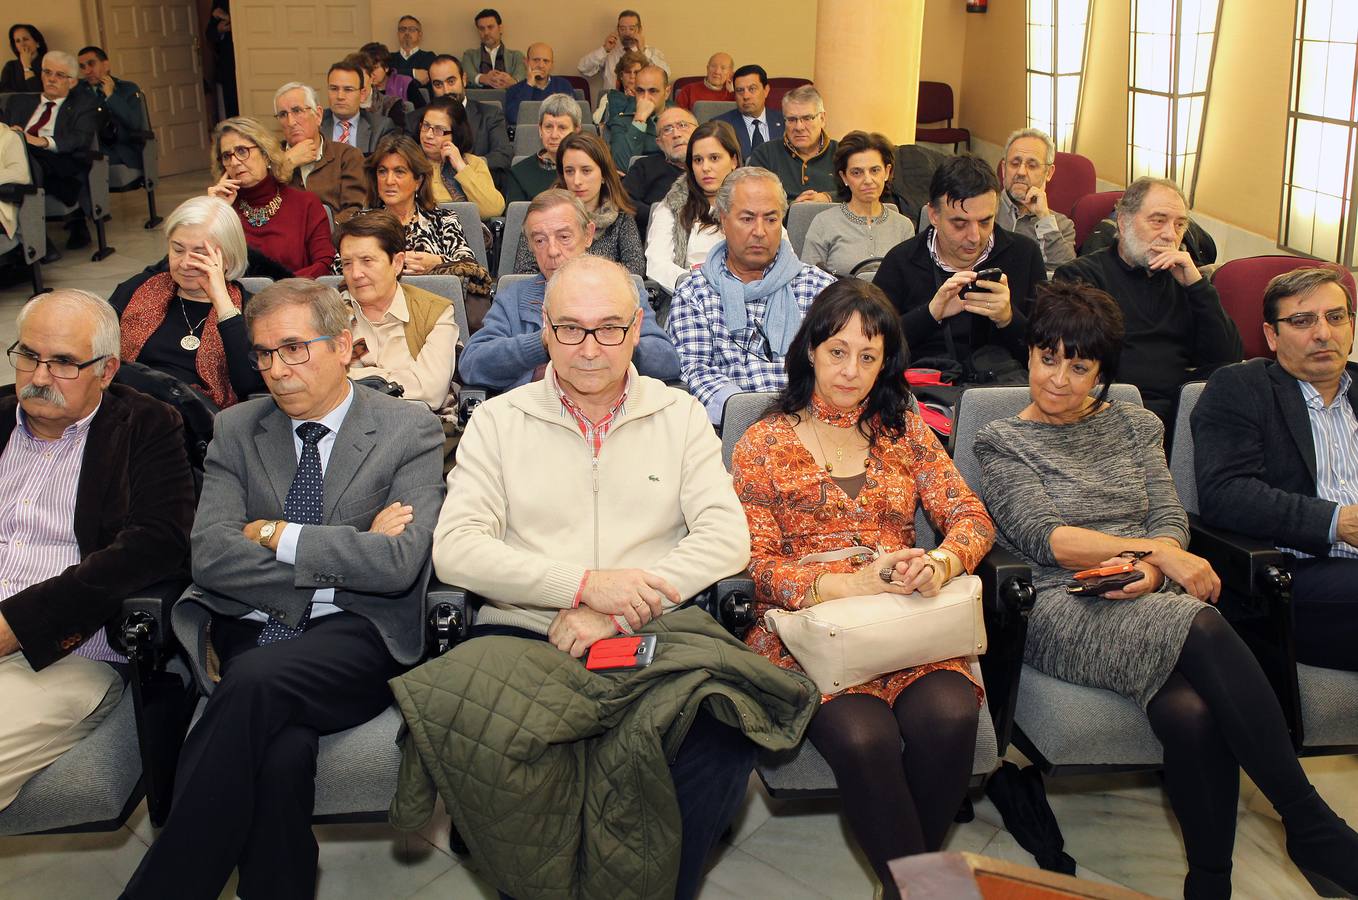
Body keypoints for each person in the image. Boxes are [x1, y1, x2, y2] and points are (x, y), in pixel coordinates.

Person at [975, 280, 1358, 900]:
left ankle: (1209, 884)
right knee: (1203, 621)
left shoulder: (1132, 422)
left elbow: (1169, 515)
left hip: (1148, 592)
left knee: (1192, 713)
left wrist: (1153, 569)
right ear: (1030, 353)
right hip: (1059, 602)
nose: (1059, 380)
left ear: (1102, 372)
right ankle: (1309, 821)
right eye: (1049, 359)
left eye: (1080, 366)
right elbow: (1050, 538)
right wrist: (1159, 557)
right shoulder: (1002, 441)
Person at [432, 254, 763, 900]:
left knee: (722, 737)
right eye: (571, 329)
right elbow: (457, 552)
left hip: (653, 630)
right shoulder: (499, 422)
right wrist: (581, 585)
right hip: (528, 629)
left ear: (638, 329)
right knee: (502, 744)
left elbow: (727, 539)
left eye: (609, 328)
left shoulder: (680, 416)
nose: (590, 348)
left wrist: (620, 604)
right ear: (545, 333)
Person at [120, 278, 445, 900]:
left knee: (249, 685)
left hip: (358, 633)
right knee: (278, 754)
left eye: (295, 348)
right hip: (251, 625)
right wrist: (351, 546)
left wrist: (272, 532)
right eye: (264, 354)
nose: (276, 369)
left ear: (345, 345)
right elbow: (211, 555)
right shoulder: (239, 428)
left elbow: (399, 563)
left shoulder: (409, 430)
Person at [731, 280, 994, 899]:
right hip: (806, 631)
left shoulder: (902, 427)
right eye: (837, 351)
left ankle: (906, 889)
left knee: (952, 718)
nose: (851, 370)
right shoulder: (762, 443)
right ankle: (929, 891)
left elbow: (971, 517)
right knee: (864, 737)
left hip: (907, 618)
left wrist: (942, 564)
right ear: (810, 352)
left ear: (887, 363)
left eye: (868, 356)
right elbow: (757, 567)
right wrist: (844, 584)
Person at [0, 289, 195, 812]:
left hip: (60, 652)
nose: (39, 377)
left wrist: (17, 624)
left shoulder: (146, 426)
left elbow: (156, 544)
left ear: (107, 371)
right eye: (27, 356)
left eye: (63, 362)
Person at [1192, 266, 1358, 672]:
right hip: (1294, 574)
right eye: (1302, 321)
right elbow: (1226, 494)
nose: (1323, 333)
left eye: (1336, 317)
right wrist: (1338, 522)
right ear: (1271, 335)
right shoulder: (1241, 387)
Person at [1054, 176, 1241, 424]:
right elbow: (1079, 364)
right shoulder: (1080, 276)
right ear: (1123, 221)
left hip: (1181, 413)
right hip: (1109, 410)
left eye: (1179, 225)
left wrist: (1197, 286)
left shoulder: (1186, 282)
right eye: (1158, 221)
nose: (1169, 235)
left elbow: (1226, 358)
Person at [460, 188, 678, 390]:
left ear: (588, 235)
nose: (552, 251)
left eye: (564, 237)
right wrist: (541, 342)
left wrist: (613, 337)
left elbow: (666, 362)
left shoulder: (621, 290)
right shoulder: (514, 298)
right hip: (536, 419)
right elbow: (471, 365)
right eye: (540, 240)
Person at [667, 167, 836, 423]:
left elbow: (840, 364)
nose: (760, 231)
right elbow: (696, 370)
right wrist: (757, 417)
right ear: (723, 220)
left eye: (771, 219)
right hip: (734, 428)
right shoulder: (695, 292)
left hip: (814, 423)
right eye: (747, 219)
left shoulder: (819, 288)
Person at [873, 154, 1045, 382]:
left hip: (1003, 392)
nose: (975, 237)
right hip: (924, 396)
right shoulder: (901, 261)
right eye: (960, 224)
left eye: (985, 222)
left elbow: (1049, 357)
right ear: (934, 215)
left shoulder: (1025, 255)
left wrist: (1009, 320)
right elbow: (873, 349)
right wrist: (930, 314)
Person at [109, 195, 264, 408]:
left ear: (227, 258)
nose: (185, 263)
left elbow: (248, 385)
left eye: (200, 254)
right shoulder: (140, 289)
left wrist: (222, 303)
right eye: (178, 250)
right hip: (127, 408)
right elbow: (94, 347)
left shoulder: (250, 310)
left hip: (196, 423)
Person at [353, 132, 494, 319]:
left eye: (399, 172)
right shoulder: (361, 223)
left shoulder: (443, 219)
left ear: (418, 181)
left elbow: (471, 267)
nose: (389, 181)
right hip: (375, 315)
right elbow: (339, 269)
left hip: (436, 313)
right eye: (382, 171)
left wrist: (437, 262)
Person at [335, 210, 458, 409]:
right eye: (347, 263)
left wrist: (353, 378)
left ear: (397, 263)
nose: (355, 274)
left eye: (367, 261)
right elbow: (319, 383)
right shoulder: (329, 314)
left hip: (416, 428)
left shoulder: (435, 312)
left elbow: (431, 392)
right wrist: (398, 379)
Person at [206, 116, 335, 278]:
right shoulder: (225, 208)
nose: (235, 162)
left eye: (241, 151)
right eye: (226, 156)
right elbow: (204, 265)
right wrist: (214, 211)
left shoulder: (305, 204)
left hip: (297, 296)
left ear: (265, 155)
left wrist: (284, 289)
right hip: (237, 300)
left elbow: (324, 263)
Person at [3, 50, 98, 252]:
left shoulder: (83, 105)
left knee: (28, 159)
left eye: (59, 75)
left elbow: (80, 139)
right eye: (47, 72)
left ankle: (34, 241)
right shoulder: (18, 102)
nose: (51, 79)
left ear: (72, 82)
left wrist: (41, 141)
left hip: (59, 159)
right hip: (20, 157)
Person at [510, 131, 643, 276]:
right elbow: (524, 272)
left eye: (586, 171)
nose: (577, 181)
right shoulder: (542, 214)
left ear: (604, 175)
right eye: (569, 171)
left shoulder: (621, 219)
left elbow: (634, 271)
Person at [803, 130, 915, 277]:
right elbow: (808, 283)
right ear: (844, 177)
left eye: (875, 170)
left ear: (887, 172)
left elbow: (911, 282)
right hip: (838, 299)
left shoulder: (904, 226)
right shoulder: (823, 223)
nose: (868, 180)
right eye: (857, 172)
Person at [645, 120, 739, 293]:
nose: (705, 168)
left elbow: (783, 255)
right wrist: (696, 285)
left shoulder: (756, 202)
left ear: (733, 161)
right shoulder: (672, 206)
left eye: (714, 158)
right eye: (698, 160)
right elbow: (656, 263)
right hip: (691, 296)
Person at [272, 81, 366, 222]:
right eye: (283, 114)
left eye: (297, 111)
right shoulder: (269, 157)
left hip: (333, 239)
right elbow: (260, 204)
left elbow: (354, 212)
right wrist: (287, 162)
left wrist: (320, 234)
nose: (291, 122)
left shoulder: (347, 156)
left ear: (318, 115)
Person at [997, 128, 1075, 275]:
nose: (1021, 172)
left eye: (1031, 166)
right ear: (1003, 169)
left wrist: (1044, 218)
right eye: (1014, 163)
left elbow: (1067, 275)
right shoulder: (985, 211)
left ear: (1049, 173)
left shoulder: (1061, 225)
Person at [423, 54, 513, 180]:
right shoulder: (419, 119)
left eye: (451, 81)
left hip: (480, 185)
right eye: (438, 84)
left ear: (464, 79)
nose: (446, 90)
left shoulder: (490, 115)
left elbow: (503, 155)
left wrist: (465, 164)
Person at [413, 97, 505, 218]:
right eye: (425, 126)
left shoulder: (473, 163)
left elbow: (493, 210)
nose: (428, 135)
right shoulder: (408, 161)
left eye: (439, 130)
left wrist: (461, 166)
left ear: (456, 133)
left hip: (463, 233)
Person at [748, 85, 838, 204]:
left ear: (822, 119)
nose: (799, 127)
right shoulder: (765, 154)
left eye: (807, 118)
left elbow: (858, 192)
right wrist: (793, 209)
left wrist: (828, 198)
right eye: (791, 119)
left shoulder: (841, 152)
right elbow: (753, 198)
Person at [621, 105, 696, 236]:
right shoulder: (644, 166)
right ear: (659, 142)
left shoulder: (712, 166)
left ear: (698, 131)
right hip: (655, 237)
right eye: (667, 130)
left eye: (683, 125)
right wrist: (660, 214)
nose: (676, 134)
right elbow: (624, 201)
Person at [76, 46, 146, 170]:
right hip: (86, 145)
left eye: (91, 64)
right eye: (82, 67)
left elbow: (135, 123)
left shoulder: (127, 89)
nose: (86, 71)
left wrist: (111, 96)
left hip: (119, 148)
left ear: (106, 65)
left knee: (85, 160)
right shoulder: (78, 89)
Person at [505, 91, 578, 204]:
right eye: (548, 127)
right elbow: (516, 217)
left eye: (562, 128)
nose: (554, 135)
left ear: (576, 131)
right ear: (540, 130)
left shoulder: (588, 170)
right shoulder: (519, 172)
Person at [577, 9, 669, 92]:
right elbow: (582, 68)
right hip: (612, 104)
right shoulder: (609, 53)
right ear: (618, 30)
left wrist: (643, 51)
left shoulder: (651, 53)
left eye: (631, 29)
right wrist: (604, 49)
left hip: (642, 103)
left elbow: (665, 75)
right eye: (623, 29)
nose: (627, 33)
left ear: (640, 30)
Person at [321, 59, 396, 155]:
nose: (340, 96)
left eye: (348, 89)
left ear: (362, 94)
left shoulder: (381, 128)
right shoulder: (315, 124)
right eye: (334, 89)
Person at [604, 64, 669, 170]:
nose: (646, 97)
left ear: (667, 92)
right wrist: (640, 119)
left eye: (653, 91)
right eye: (640, 91)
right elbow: (621, 166)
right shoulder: (621, 122)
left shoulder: (681, 120)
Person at [715, 64, 785, 159]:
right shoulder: (721, 126)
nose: (746, 96)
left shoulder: (785, 121)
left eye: (752, 89)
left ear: (766, 90)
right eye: (740, 90)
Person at [503, 42, 575, 124]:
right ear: (526, 62)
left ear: (551, 65)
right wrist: (528, 86)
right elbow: (514, 119)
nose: (541, 65)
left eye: (546, 61)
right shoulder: (514, 89)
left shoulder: (563, 85)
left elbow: (573, 119)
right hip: (526, 135)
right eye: (536, 60)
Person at [460, 8, 525, 90]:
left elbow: (522, 77)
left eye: (490, 27)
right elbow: (467, 75)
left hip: (509, 100)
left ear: (500, 28)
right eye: (481, 28)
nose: (486, 33)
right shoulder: (469, 55)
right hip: (478, 101)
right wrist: (484, 78)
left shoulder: (516, 56)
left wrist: (512, 82)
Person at [358, 42, 423, 116]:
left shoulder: (405, 83)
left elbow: (422, 112)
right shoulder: (360, 88)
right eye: (367, 69)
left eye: (375, 68)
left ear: (386, 67)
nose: (371, 73)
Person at [589, 48, 646, 126]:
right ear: (621, 76)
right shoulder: (609, 97)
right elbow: (596, 120)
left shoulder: (648, 97)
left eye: (636, 72)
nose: (632, 76)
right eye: (628, 72)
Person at [391, 15, 434, 85]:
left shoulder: (429, 57)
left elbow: (426, 81)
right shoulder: (389, 58)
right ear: (398, 34)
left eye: (411, 29)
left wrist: (395, 75)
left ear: (420, 35)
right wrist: (413, 73)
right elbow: (384, 77)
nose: (406, 33)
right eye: (402, 29)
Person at [1, 24, 44, 91]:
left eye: (25, 39)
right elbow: (5, 95)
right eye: (18, 41)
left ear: (37, 43)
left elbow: (39, 93)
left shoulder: (48, 64)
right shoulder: (10, 66)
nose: (22, 44)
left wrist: (26, 66)